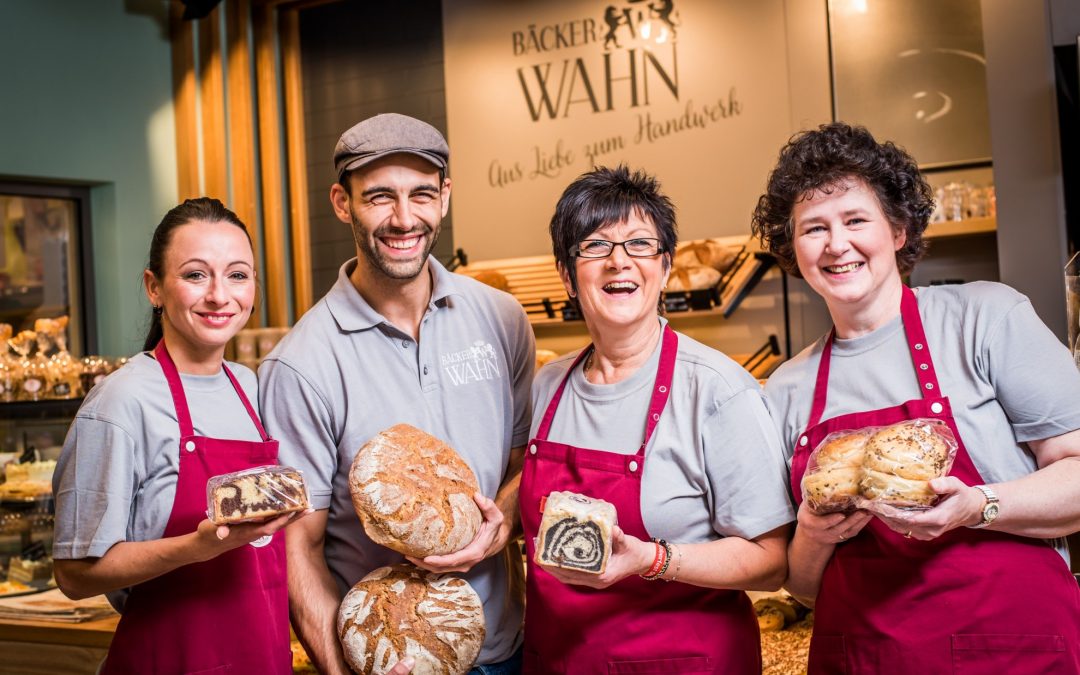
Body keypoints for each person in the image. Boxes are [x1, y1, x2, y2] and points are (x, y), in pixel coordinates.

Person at [752, 122, 1080, 673]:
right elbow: (804, 585)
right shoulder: (786, 387)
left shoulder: (983, 317)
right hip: (863, 657)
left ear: (898, 231)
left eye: (856, 220)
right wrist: (811, 533)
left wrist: (978, 506)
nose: (837, 244)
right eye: (814, 228)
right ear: (794, 250)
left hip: (1011, 648)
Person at [260, 113, 534, 675]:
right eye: (380, 197)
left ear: (446, 197)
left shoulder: (501, 319)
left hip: (507, 652)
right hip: (387, 663)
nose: (404, 219)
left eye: (422, 195)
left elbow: (524, 465)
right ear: (342, 202)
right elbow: (298, 549)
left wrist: (498, 524)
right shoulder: (301, 363)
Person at [521, 165, 794, 673]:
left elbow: (771, 560)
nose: (618, 262)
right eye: (595, 246)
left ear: (664, 267)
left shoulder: (717, 389)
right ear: (567, 275)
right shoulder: (548, 384)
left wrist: (652, 559)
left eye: (640, 244)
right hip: (558, 660)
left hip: (680, 661)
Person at [52, 197, 302, 674]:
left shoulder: (249, 386)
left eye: (237, 275)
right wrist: (198, 547)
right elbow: (73, 575)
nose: (219, 296)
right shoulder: (121, 401)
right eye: (194, 275)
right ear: (154, 287)